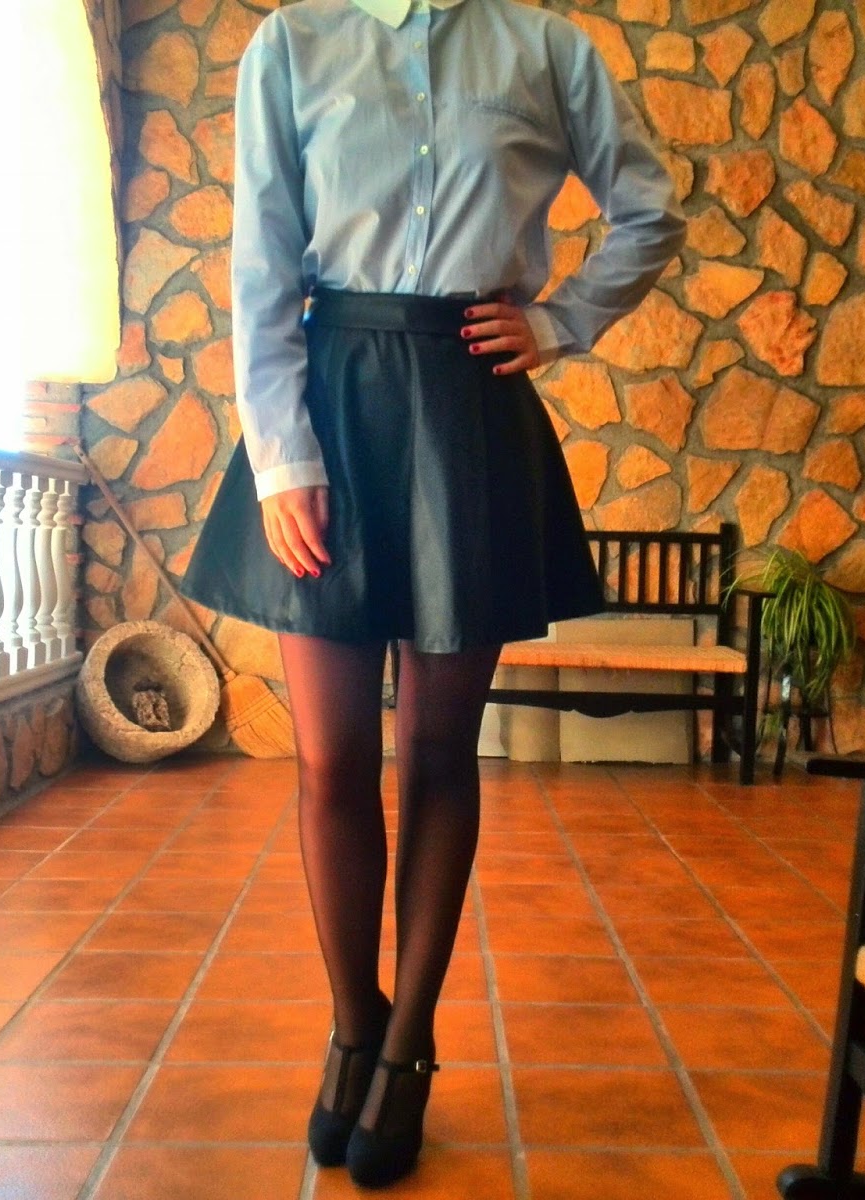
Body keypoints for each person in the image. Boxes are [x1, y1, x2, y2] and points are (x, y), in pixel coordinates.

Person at [179, 0, 685, 1187]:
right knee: (329, 760)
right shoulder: (291, 45)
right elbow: (262, 260)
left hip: (468, 411)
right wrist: (282, 458)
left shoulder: (547, 48)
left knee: (442, 754)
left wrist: (559, 320)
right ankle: (354, 1022)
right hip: (330, 407)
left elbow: (649, 210)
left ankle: (408, 1044)